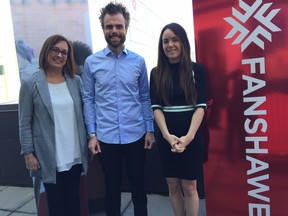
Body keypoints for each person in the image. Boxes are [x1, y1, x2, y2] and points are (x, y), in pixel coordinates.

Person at [82, 2, 154, 216]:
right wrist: (92, 134)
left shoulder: (138, 62)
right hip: (106, 138)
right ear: (103, 29)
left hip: (136, 135)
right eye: (109, 26)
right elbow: (89, 100)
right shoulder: (91, 63)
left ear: (126, 28)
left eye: (118, 26)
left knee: (139, 187)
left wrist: (149, 130)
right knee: (111, 189)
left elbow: (144, 98)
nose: (114, 31)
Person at [18, 34, 88, 216]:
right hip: (48, 157)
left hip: (74, 154)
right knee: (56, 206)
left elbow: (84, 114)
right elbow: (24, 122)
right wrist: (28, 153)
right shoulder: (30, 83)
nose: (59, 55)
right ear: (46, 51)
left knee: (74, 202)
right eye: (55, 50)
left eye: (64, 52)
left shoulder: (75, 81)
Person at [149, 23, 208, 216]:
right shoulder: (156, 73)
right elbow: (156, 108)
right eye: (165, 41)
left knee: (190, 187)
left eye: (175, 39)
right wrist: (167, 136)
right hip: (167, 139)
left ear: (183, 42)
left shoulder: (197, 70)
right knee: (172, 186)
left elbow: (200, 107)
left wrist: (188, 137)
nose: (170, 45)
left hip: (191, 137)